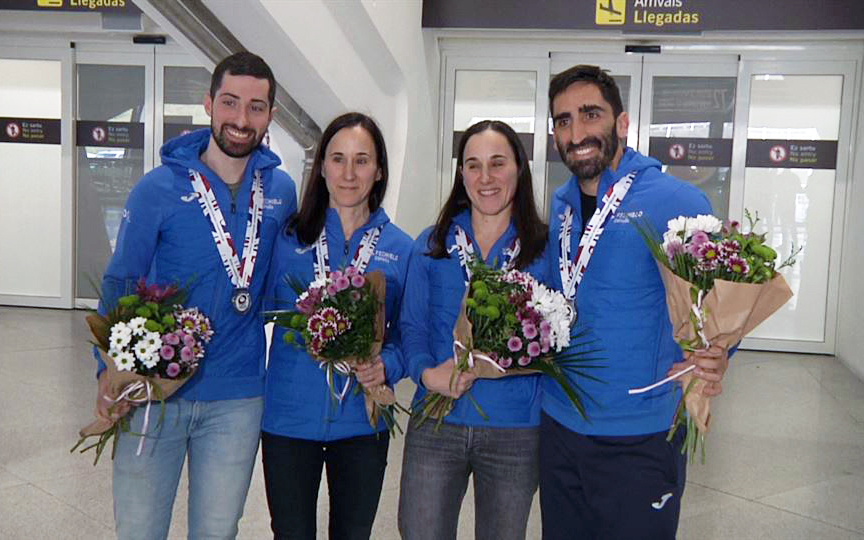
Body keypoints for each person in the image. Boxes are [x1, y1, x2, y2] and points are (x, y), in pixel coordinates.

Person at [94, 52, 297, 539]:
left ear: (271, 115)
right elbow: (120, 285)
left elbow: (274, 283)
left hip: (238, 398)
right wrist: (107, 372)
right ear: (209, 103)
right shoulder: (157, 189)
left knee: (217, 531)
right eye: (230, 103)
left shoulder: (282, 191)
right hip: (154, 391)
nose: (241, 119)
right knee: (140, 529)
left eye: (256, 107)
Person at [540, 64, 730, 540]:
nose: (577, 132)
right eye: (563, 120)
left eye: (590, 115)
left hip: (640, 433)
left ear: (621, 124)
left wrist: (720, 352)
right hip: (560, 426)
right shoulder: (560, 204)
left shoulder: (675, 199)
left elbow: (721, 300)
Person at [260, 112, 412, 540]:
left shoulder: (401, 248)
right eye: (338, 159)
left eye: (362, 161)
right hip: (289, 422)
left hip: (363, 425)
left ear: (379, 169)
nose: (349, 173)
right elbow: (251, 311)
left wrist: (390, 365)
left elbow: (407, 333)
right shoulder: (287, 239)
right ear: (322, 165)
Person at [398, 120, 548, 540]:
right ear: (461, 174)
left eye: (497, 163)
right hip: (436, 424)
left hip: (516, 430)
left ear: (519, 168)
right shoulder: (432, 245)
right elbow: (410, 326)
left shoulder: (544, 252)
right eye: (473, 165)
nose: (485, 178)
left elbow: (561, 337)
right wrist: (428, 375)